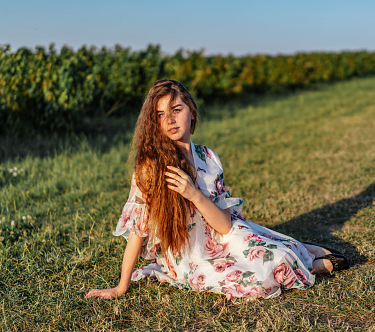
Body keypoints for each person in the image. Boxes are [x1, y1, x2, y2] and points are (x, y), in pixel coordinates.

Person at [85, 79, 348, 302]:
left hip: (222, 232)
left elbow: (224, 226)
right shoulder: (150, 167)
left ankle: (303, 250)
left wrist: (193, 193)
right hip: (188, 253)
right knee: (258, 277)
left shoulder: (209, 158)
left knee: (267, 248)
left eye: (176, 109)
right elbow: (137, 230)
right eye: (161, 115)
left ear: (191, 111)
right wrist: (121, 286)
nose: (170, 120)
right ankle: (315, 263)